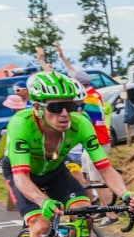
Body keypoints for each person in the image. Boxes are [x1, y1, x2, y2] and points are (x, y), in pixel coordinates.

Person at [2, 71, 134, 237]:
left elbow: (105, 167)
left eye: (70, 105)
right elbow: (21, 178)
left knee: (85, 212)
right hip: (23, 175)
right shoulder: (21, 124)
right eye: (56, 107)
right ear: (37, 107)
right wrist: (42, 201)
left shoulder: (80, 123)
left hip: (55, 171)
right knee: (41, 227)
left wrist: (124, 193)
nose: (65, 113)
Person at [36, 44, 117, 227]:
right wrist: (61, 56)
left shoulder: (87, 97)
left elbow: (87, 122)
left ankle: (109, 213)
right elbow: (70, 73)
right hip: (95, 140)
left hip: (95, 141)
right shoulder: (90, 92)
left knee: (97, 178)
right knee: (90, 177)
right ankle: (100, 209)